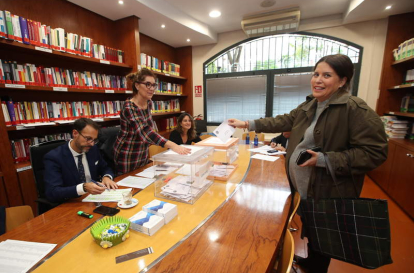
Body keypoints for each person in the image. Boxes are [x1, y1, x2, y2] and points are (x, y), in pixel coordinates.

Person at [228, 54, 387, 273]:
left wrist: (324, 159)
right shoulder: (311, 105)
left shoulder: (355, 109)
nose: (318, 80)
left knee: (324, 238)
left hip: (328, 190)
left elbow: (375, 152)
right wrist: (246, 123)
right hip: (304, 187)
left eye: (327, 75)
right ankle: (309, 262)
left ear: (342, 81)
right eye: (316, 74)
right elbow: (283, 120)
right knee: (312, 230)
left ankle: (315, 268)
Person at [113, 68, 190, 175]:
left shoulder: (149, 102)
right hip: (128, 154)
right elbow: (145, 132)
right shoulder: (129, 107)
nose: (152, 88)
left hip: (142, 153)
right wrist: (172, 145)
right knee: (128, 185)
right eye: (148, 84)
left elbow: (149, 128)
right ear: (137, 86)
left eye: (154, 85)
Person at [44, 118, 118, 203]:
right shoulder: (54, 157)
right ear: (75, 133)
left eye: (94, 140)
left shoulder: (92, 149)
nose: (92, 143)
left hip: (95, 198)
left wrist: (107, 177)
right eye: (88, 138)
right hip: (72, 202)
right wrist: (83, 188)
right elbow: (52, 192)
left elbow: (105, 167)